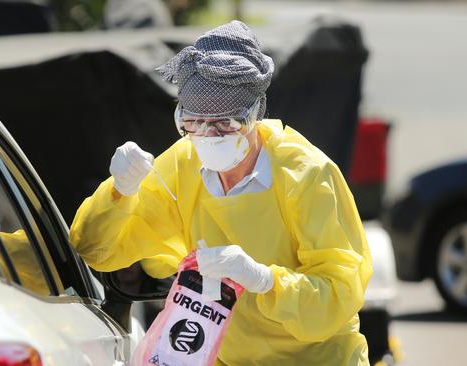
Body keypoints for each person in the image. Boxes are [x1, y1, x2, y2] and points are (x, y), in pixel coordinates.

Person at [69, 20, 372, 365]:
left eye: (225, 123)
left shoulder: (306, 175)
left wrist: (262, 279)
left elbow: (338, 297)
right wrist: (120, 192)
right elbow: (95, 250)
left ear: (255, 114)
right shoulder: (183, 165)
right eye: (194, 122)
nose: (209, 135)